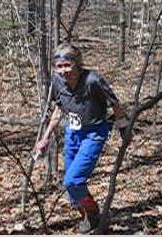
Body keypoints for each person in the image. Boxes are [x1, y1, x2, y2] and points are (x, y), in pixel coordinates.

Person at [35, 42, 129, 233]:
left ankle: (94, 213)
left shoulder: (92, 81)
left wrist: (124, 128)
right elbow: (58, 109)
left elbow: (115, 103)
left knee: (73, 181)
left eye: (67, 65)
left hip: (94, 133)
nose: (63, 71)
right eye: (59, 66)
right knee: (70, 189)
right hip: (73, 132)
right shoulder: (57, 82)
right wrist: (45, 138)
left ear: (77, 64)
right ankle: (87, 217)